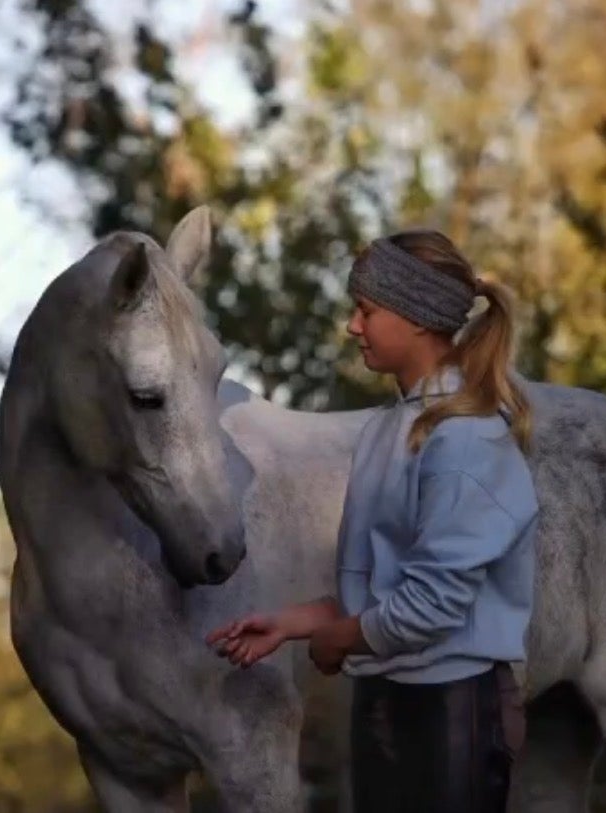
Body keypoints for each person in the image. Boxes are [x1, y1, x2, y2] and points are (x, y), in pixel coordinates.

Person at [205, 229, 538, 812]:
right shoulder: (386, 430)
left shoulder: (465, 439)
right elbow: (387, 590)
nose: (353, 326)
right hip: (387, 699)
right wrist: (295, 622)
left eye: (367, 310)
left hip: (454, 711)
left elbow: (434, 604)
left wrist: (339, 640)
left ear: (416, 318)